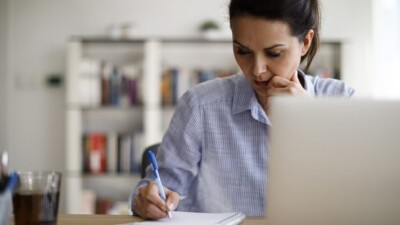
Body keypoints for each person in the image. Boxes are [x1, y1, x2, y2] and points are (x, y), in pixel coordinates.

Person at [129, 0, 355, 219]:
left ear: (305, 42)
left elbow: (355, 197)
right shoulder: (200, 105)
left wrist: (312, 122)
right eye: (243, 51)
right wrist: (146, 200)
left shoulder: (342, 101)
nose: (257, 70)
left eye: (274, 53)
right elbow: (157, 189)